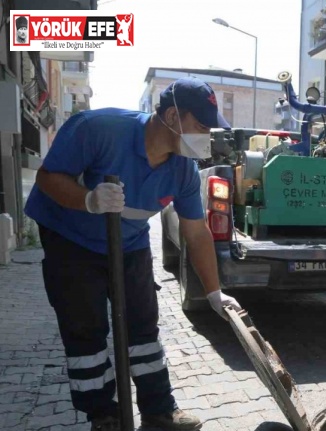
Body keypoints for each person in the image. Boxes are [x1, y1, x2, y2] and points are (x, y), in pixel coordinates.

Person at [24, 77, 242, 431]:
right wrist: (88, 199)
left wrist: (215, 291)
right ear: (172, 116)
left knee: (142, 323)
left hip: (130, 243)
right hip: (70, 238)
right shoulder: (99, 130)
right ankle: (103, 414)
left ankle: (159, 410)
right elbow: (47, 178)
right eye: (202, 126)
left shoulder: (182, 169)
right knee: (86, 327)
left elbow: (196, 231)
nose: (207, 136)